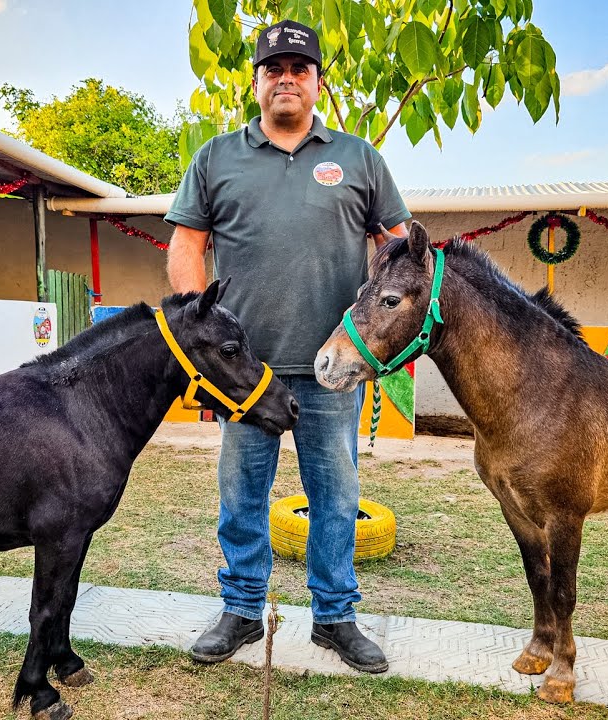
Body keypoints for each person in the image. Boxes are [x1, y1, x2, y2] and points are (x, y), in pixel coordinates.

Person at [164, 19, 410, 673]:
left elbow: (400, 245)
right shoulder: (217, 158)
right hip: (246, 373)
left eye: (300, 69)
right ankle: (242, 612)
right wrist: (198, 327)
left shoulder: (360, 159)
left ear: (318, 82)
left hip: (333, 371)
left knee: (335, 497)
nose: (287, 79)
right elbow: (186, 244)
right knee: (242, 495)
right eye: (274, 68)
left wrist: (388, 321)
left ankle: (335, 620)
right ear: (256, 81)